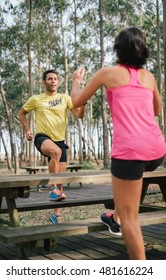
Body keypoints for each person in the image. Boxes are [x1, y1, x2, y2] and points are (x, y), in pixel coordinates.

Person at [70, 27, 166, 260]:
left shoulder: (107, 73)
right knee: (132, 188)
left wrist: (76, 81)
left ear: (118, 49)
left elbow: (76, 101)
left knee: (130, 219)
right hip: (157, 150)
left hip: (131, 152)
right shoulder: (149, 77)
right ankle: (115, 216)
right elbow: (156, 110)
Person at [19, 69, 85, 224]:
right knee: (54, 152)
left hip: (60, 141)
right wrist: (27, 131)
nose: (53, 81)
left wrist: (84, 104)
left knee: (61, 180)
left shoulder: (65, 98)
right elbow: (21, 113)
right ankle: (52, 188)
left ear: (58, 81)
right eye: (50, 79)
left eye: (55, 79)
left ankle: (56, 214)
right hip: (43, 138)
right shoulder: (36, 99)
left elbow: (79, 115)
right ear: (44, 82)